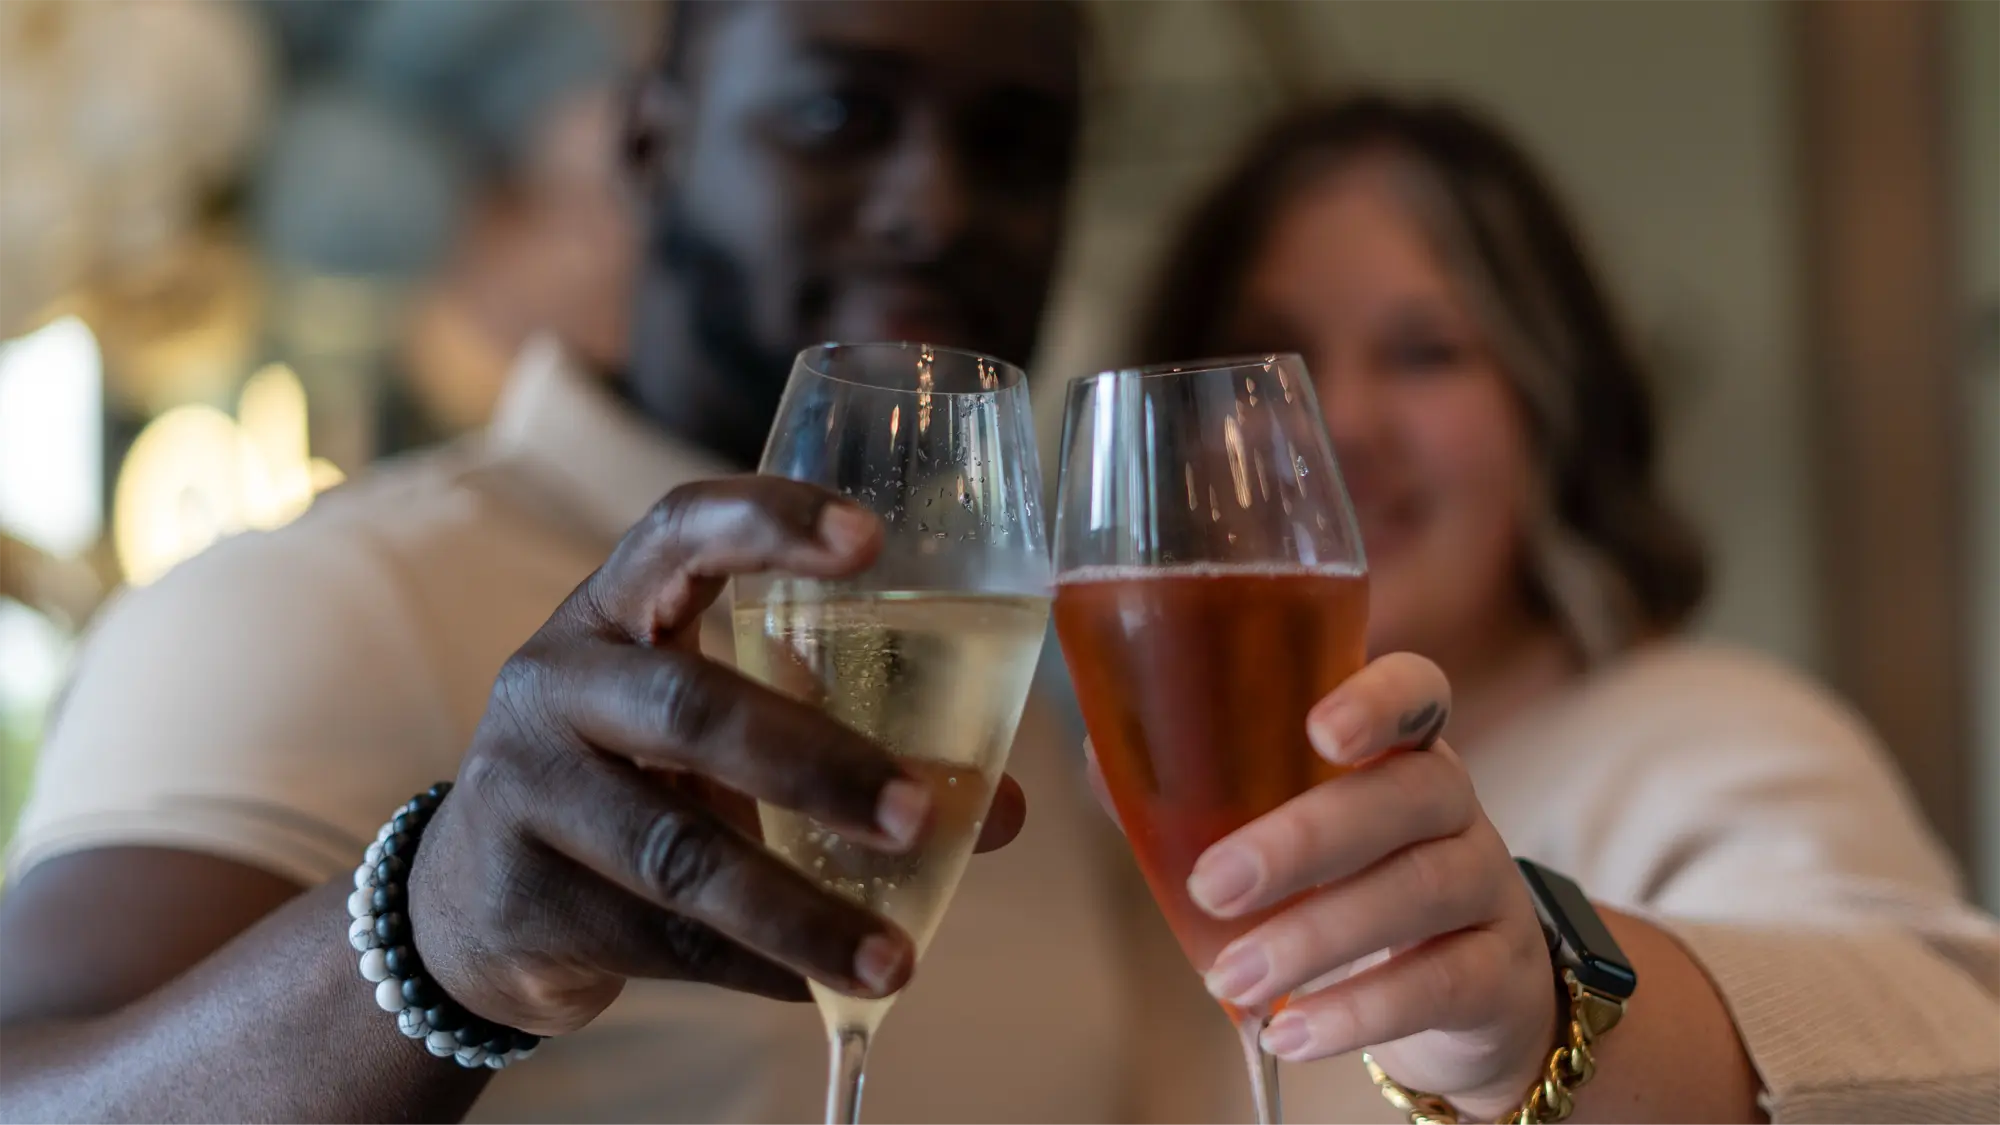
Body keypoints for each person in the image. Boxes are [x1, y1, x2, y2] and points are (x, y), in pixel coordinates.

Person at [0, 1, 1125, 1122]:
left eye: (1018, 147)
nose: (933, 208)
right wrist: (438, 936)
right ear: (647, 140)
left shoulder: (1008, 674)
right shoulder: (323, 596)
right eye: (836, 115)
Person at [1121, 92, 2000, 1121]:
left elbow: (1940, 1036)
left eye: (1422, 352)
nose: (1338, 420)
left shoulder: (1710, 733)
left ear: (1550, 407)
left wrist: (1536, 1020)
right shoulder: (1142, 829)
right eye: (1266, 361)